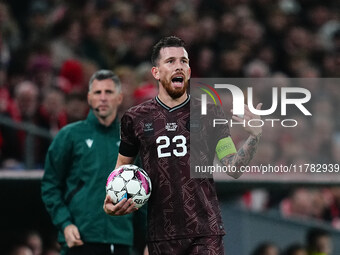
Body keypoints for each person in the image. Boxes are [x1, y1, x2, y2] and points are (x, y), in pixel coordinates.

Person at [103, 36, 262, 254]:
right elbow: (121, 169)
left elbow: (233, 168)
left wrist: (253, 137)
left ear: (188, 72)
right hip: (160, 235)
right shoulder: (135, 118)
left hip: (205, 232)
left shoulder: (210, 113)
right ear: (156, 73)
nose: (178, 66)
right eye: (170, 61)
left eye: (184, 61)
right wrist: (111, 201)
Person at [41, 70, 146, 255]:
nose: (103, 98)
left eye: (109, 92)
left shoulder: (132, 140)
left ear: (120, 97)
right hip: (80, 240)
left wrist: (148, 239)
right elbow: (50, 185)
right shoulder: (69, 136)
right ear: (89, 98)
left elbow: (144, 191)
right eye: (98, 93)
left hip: (120, 240)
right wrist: (65, 223)